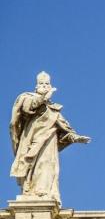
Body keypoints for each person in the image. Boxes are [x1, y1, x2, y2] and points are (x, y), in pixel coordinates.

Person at [9, 71, 90, 203]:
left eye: (47, 84)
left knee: (48, 165)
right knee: (34, 166)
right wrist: (44, 97)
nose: (45, 86)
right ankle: (33, 191)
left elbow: (64, 127)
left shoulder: (52, 109)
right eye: (42, 84)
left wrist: (76, 138)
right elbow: (28, 107)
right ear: (36, 86)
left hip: (49, 142)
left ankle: (43, 192)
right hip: (32, 140)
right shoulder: (27, 97)